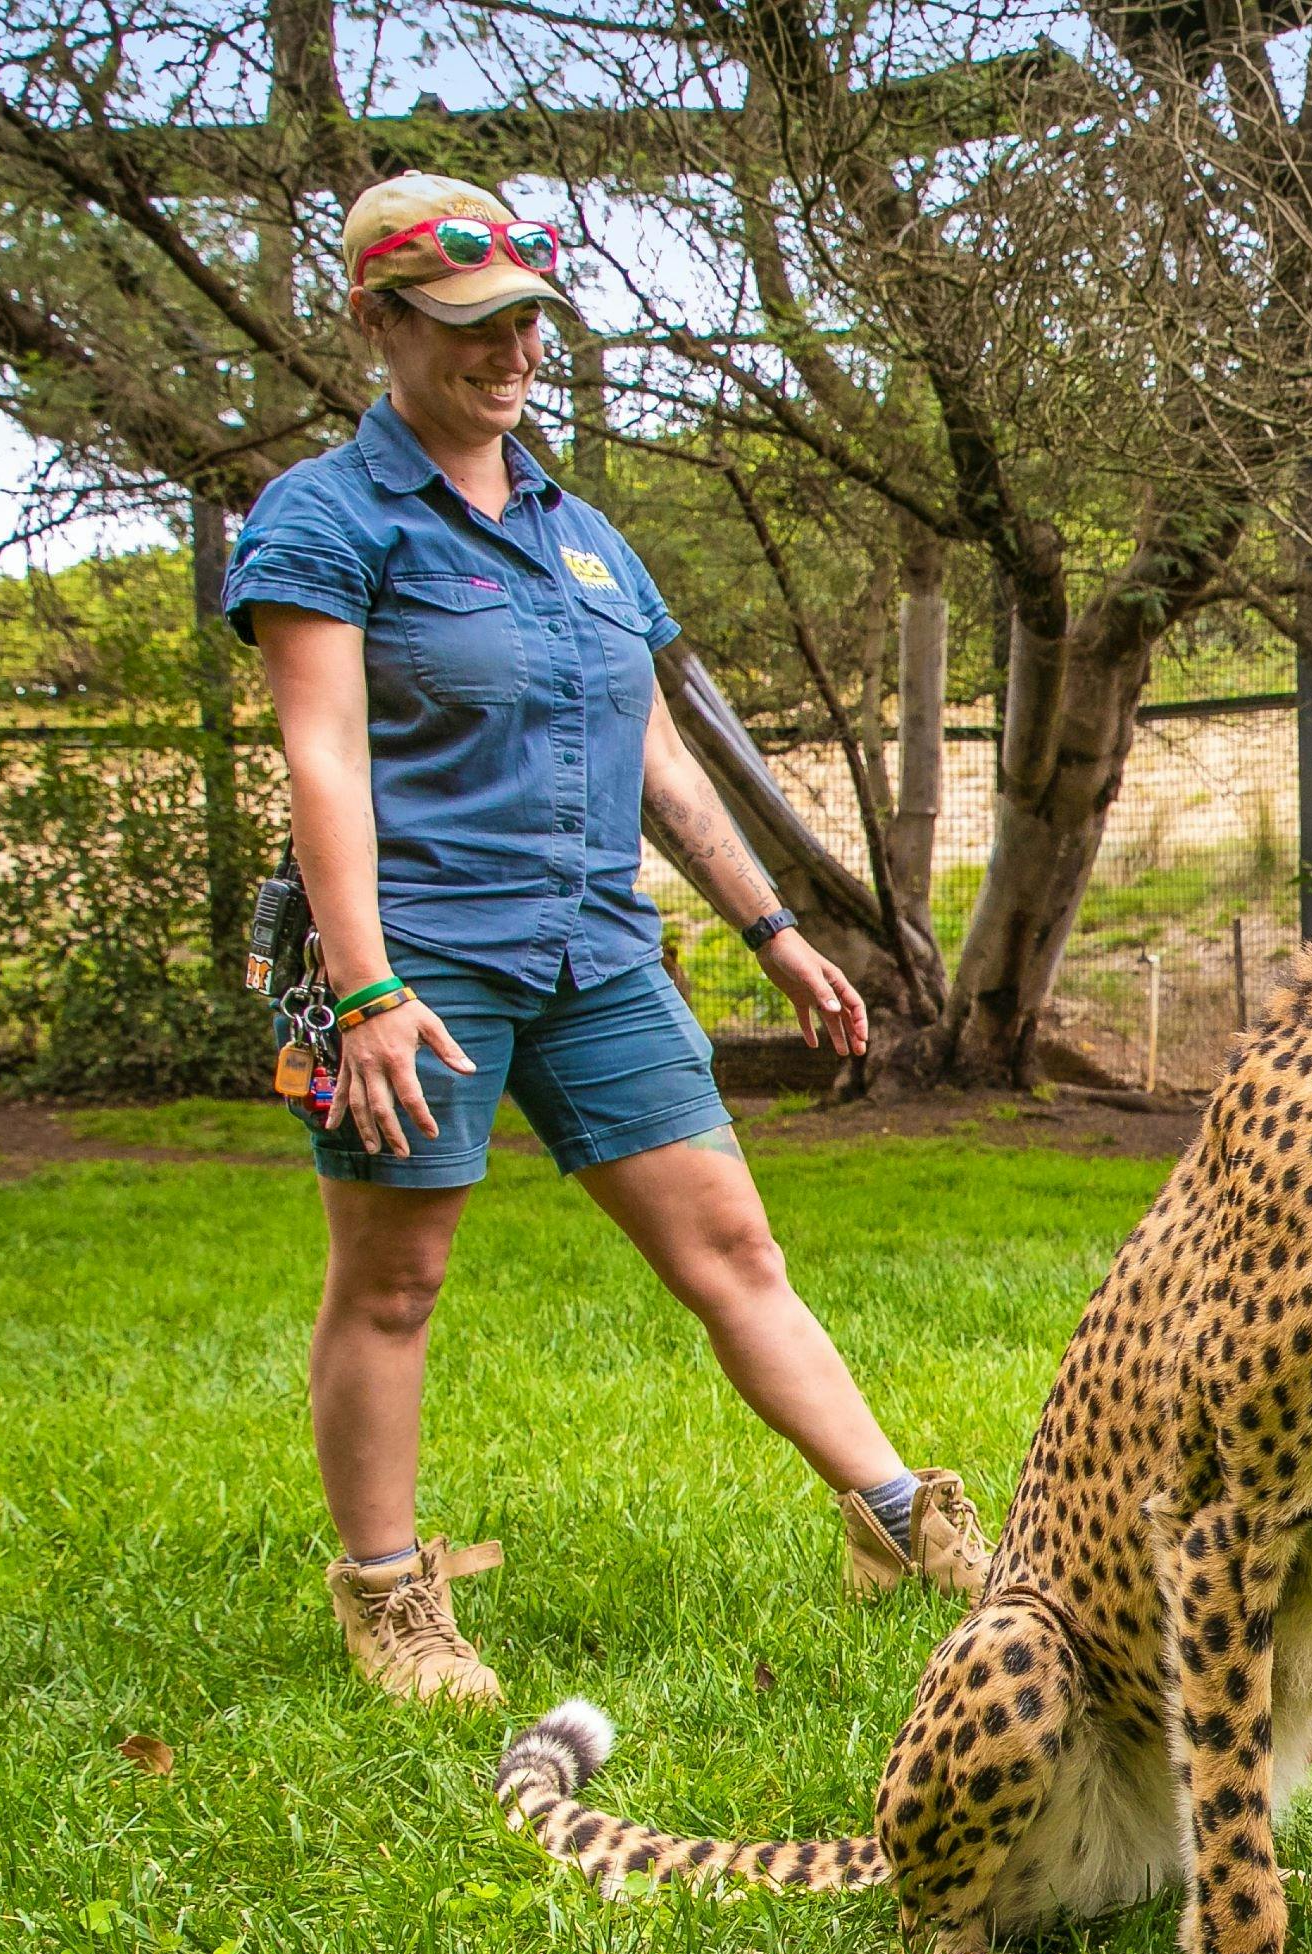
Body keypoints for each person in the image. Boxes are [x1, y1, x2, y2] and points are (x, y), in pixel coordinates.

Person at [229, 173, 991, 1708]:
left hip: (597, 951)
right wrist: (364, 983)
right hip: (419, 958)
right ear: (378, 323)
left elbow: (656, 756)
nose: (509, 352)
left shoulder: (587, 542)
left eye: (524, 322)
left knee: (736, 1250)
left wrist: (772, 929)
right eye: (468, 325)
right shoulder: (326, 517)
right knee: (393, 1281)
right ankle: (387, 1595)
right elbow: (322, 761)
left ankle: (900, 1520)